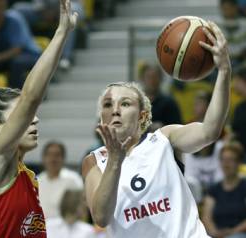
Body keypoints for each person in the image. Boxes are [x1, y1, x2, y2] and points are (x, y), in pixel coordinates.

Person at [82, 21, 231, 238]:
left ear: (142, 116)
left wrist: (224, 70)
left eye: (125, 104)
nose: (115, 110)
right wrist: (115, 161)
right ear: (101, 117)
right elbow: (101, 217)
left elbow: (209, 131)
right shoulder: (94, 161)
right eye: (108, 105)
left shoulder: (164, 138)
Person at [0, 0, 77, 237]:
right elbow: (31, 97)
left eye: (31, 115)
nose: (34, 119)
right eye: (21, 115)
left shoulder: (27, 177)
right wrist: (62, 33)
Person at [0, 0, 42, 89]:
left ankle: (18, 96)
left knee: (17, 63)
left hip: (29, 54)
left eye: (0, 8)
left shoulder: (15, 20)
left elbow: (17, 50)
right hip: (5, 57)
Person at [202, 141, 246, 238]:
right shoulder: (213, 189)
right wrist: (214, 233)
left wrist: (232, 232)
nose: (226, 164)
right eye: (223, 160)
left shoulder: (244, 186)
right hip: (217, 234)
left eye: (230, 160)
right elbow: (206, 217)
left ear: (239, 162)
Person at [37, 141, 83, 218]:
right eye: (49, 155)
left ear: (63, 158)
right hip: (40, 227)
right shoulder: (36, 181)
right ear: (43, 158)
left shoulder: (73, 180)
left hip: (66, 228)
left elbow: (82, 208)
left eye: (57, 155)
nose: (53, 159)